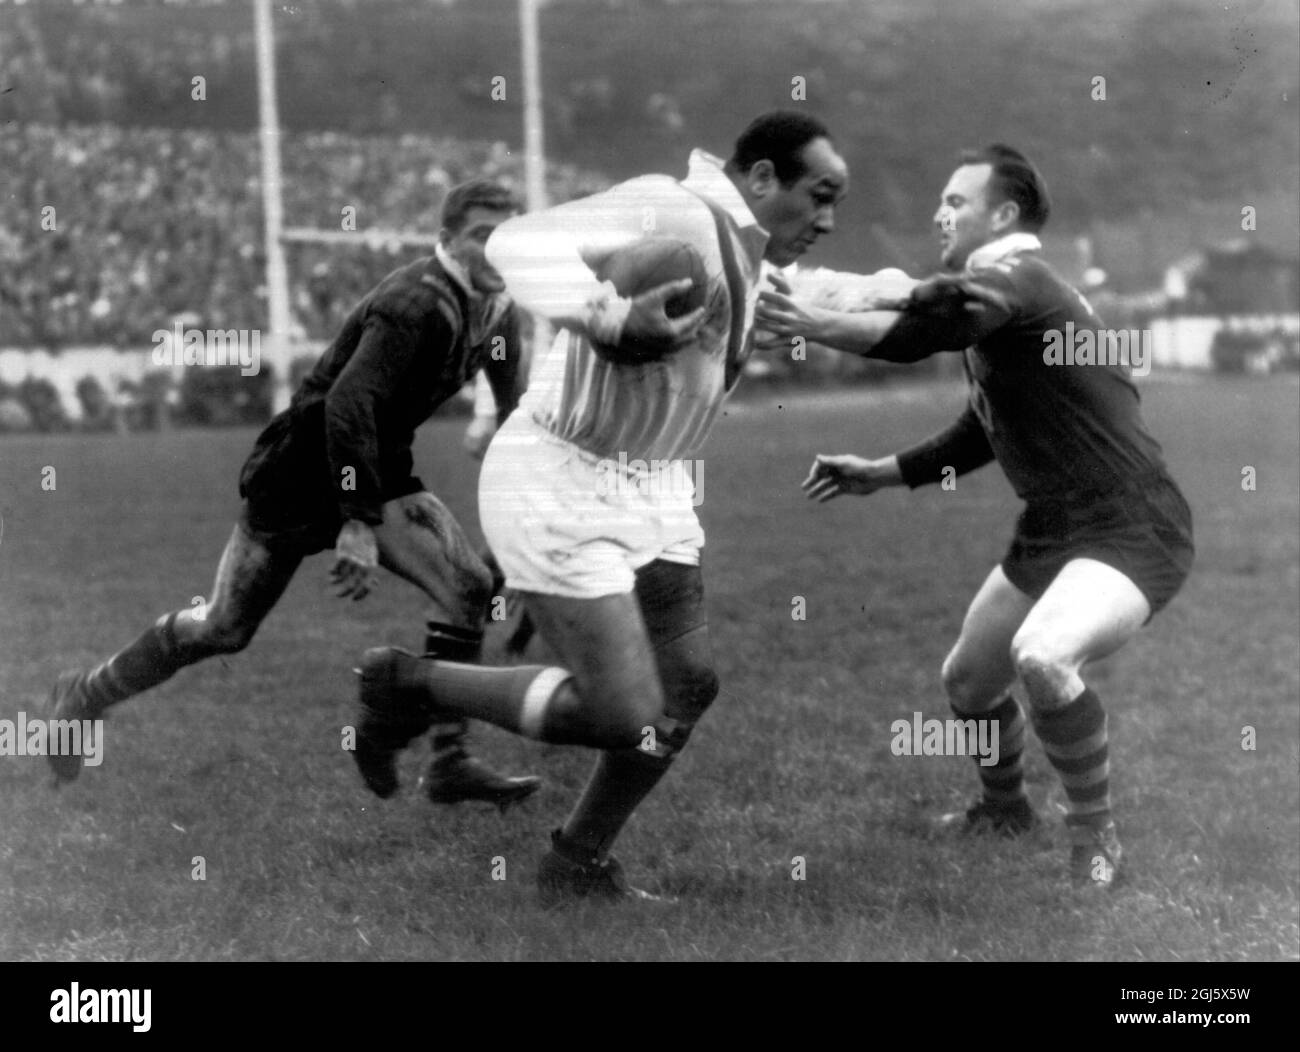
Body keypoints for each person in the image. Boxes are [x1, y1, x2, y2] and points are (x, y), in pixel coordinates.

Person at [350, 111, 852, 904]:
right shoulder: (678, 209)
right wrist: (605, 311)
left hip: (657, 487)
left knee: (685, 687)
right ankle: (409, 683)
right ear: (760, 178)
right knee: (625, 713)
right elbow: (518, 243)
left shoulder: (755, 260)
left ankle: (577, 863)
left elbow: (870, 306)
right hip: (561, 477)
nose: (828, 219)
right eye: (820, 195)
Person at [755, 143, 1194, 889]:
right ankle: (1003, 810)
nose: (940, 212)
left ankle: (1095, 838)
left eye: (958, 201)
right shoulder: (1004, 291)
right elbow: (980, 429)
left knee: (1044, 657)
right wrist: (881, 473)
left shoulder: (1015, 277)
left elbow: (928, 329)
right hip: (1056, 528)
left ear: (1006, 215)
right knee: (967, 681)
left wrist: (815, 321)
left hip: (1131, 525)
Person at [46, 178, 542, 810]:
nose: (500, 248)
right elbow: (347, 403)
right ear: (446, 241)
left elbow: (511, 410)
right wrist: (357, 522)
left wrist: (525, 490)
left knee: (470, 586)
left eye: (509, 234)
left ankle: (448, 763)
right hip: (300, 475)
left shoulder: (499, 314)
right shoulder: (414, 305)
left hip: (378, 469)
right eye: (483, 235)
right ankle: (84, 695)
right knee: (224, 629)